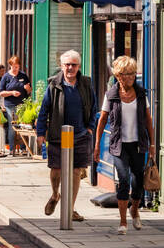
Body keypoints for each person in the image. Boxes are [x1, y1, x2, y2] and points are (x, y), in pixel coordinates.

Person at [93, 55, 155, 235]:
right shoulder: (111, 95)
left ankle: (134, 210)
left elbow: (148, 120)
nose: (129, 77)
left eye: (132, 74)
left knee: (137, 183)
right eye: (125, 74)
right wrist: (97, 145)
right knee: (123, 181)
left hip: (138, 144)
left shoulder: (141, 94)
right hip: (119, 145)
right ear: (118, 76)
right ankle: (122, 222)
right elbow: (102, 120)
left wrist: (152, 144)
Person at [35, 50, 97, 222]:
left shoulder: (85, 84)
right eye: (67, 65)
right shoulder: (53, 86)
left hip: (80, 135)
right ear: (61, 66)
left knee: (76, 171)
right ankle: (56, 195)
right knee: (56, 170)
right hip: (57, 135)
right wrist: (41, 133)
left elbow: (93, 108)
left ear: (78, 66)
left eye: (74, 65)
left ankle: (69, 209)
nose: (70, 68)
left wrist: (90, 128)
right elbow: (44, 111)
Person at [0, 55, 30, 154]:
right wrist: (12, 93)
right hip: (10, 104)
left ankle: (23, 148)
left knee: (23, 126)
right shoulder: (6, 77)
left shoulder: (23, 75)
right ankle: (12, 149)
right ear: (10, 66)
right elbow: (1, 92)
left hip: (22, 104)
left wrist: (27, 88)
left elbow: (29, 91)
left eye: (17, 67)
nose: (15, 69)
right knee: (13, 126)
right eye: (13, 66)